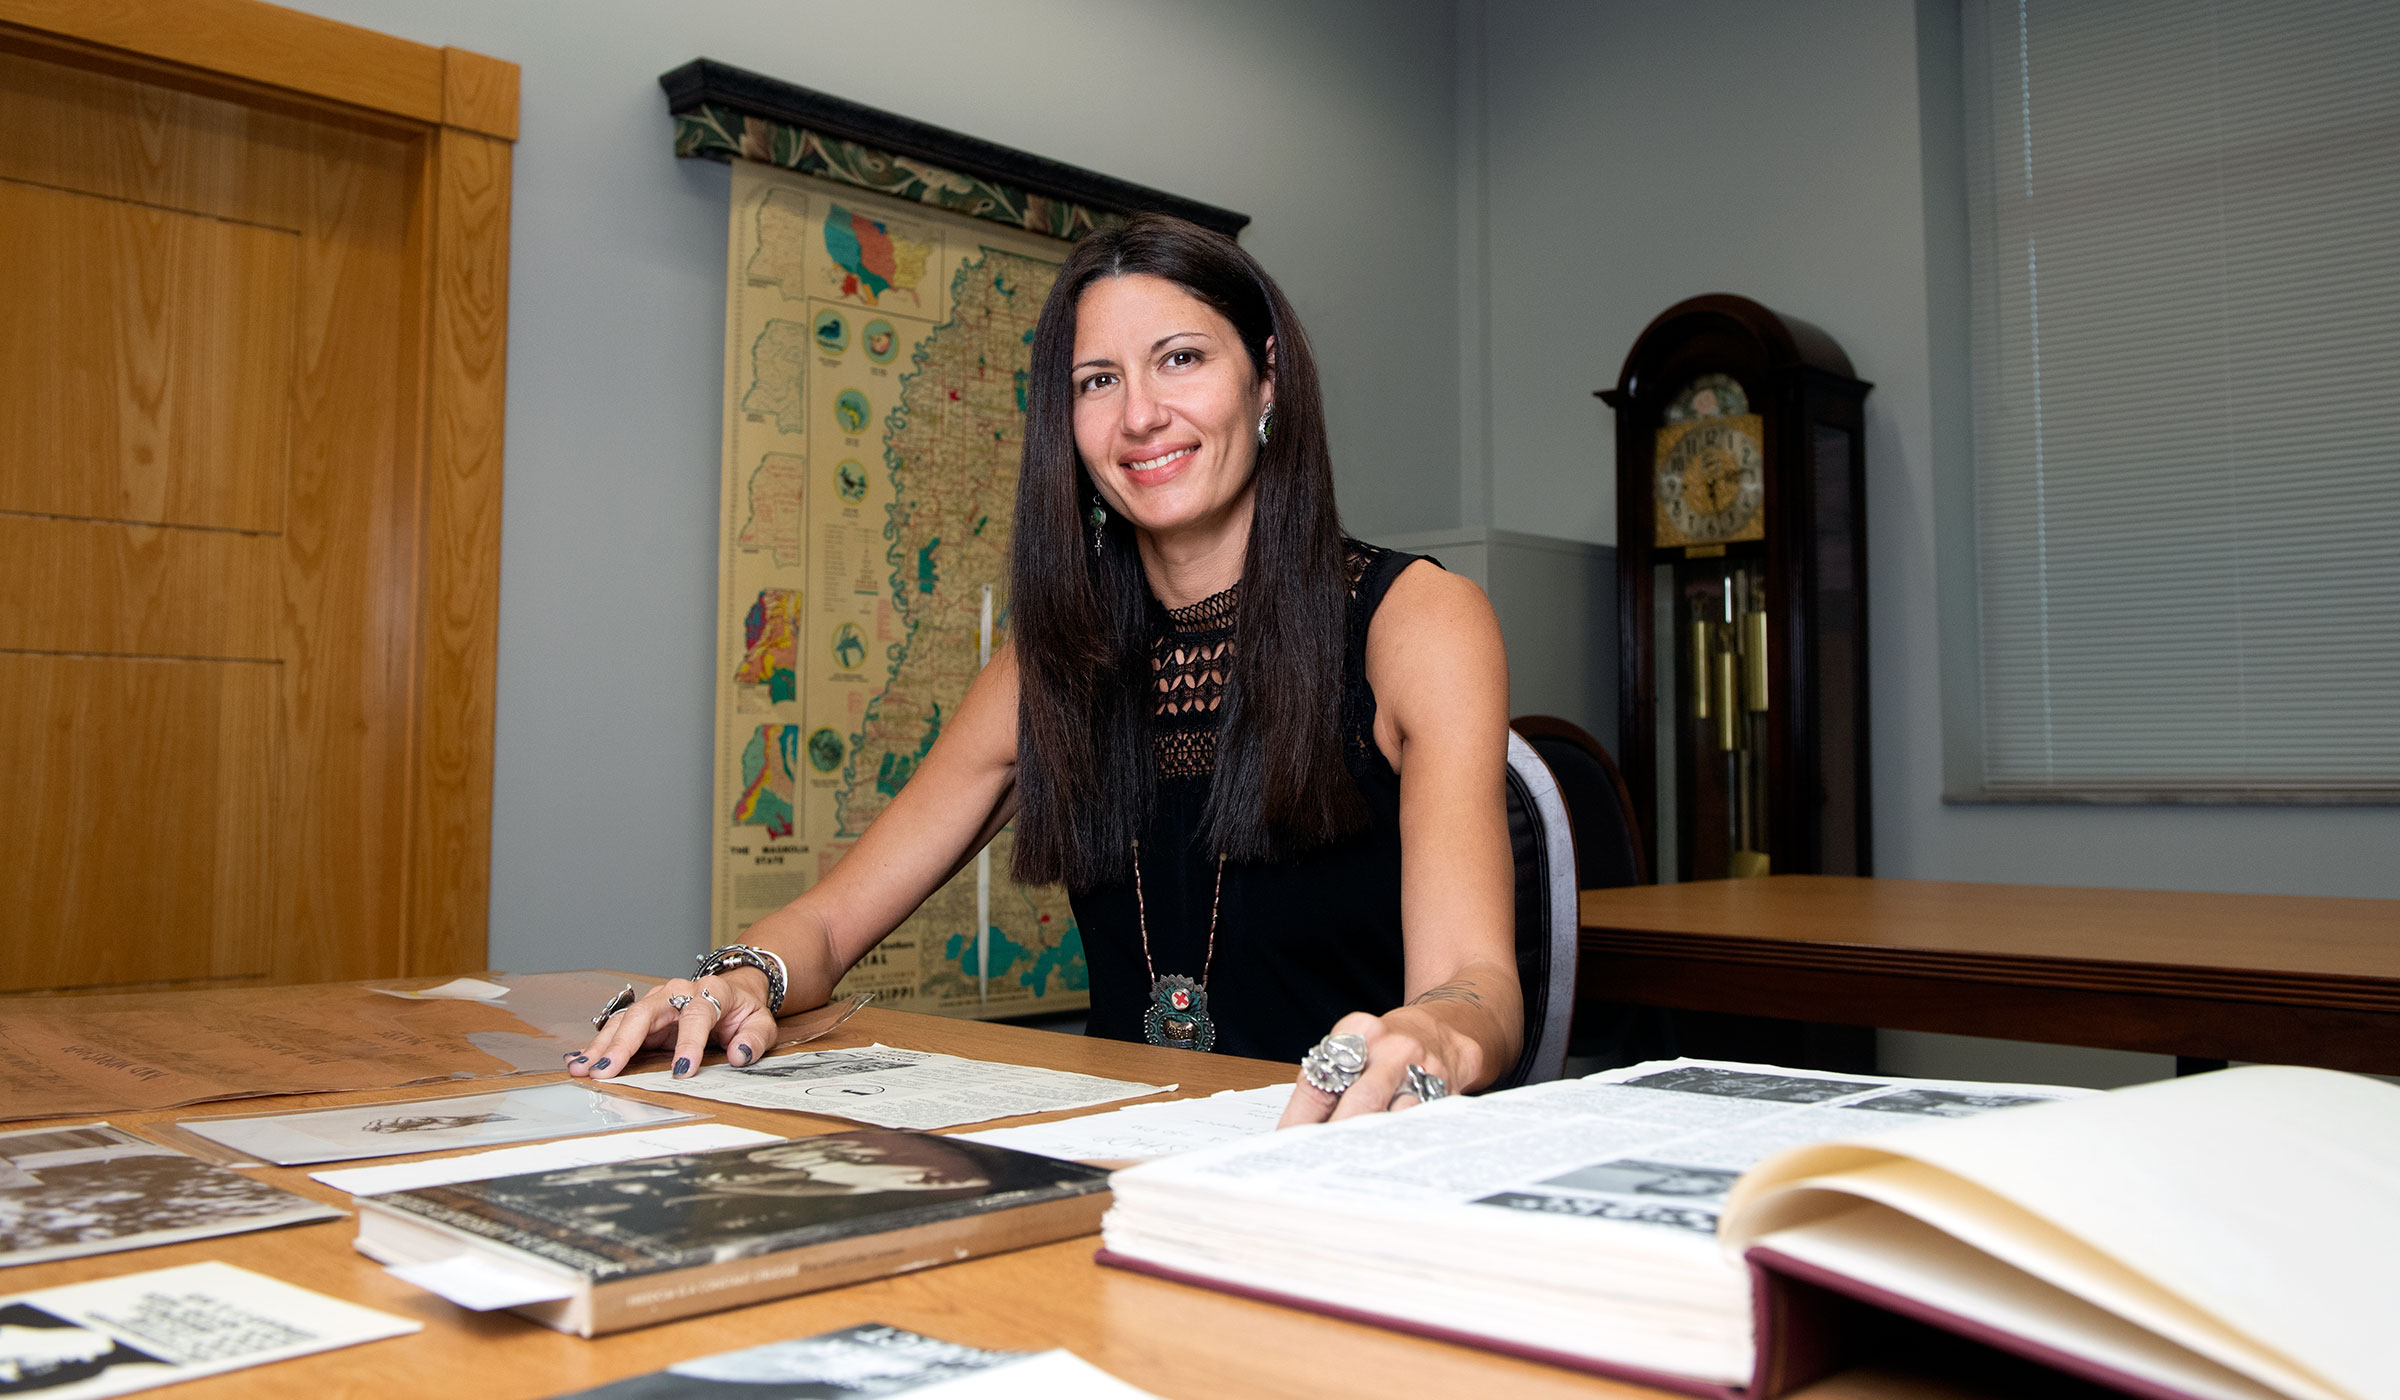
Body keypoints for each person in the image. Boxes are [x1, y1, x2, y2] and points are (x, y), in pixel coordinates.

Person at [574, 214, 1519, 1123]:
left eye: (1181, 359)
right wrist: (736, 977)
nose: (1141, 416)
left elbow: (1477, 984)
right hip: (1113, 1166)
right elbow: (824, 929)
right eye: (1097, 381)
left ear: (1266, 379)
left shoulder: (1418, 622)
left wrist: (1435, 1036)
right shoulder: (1051, 658)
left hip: (1337, 1162)